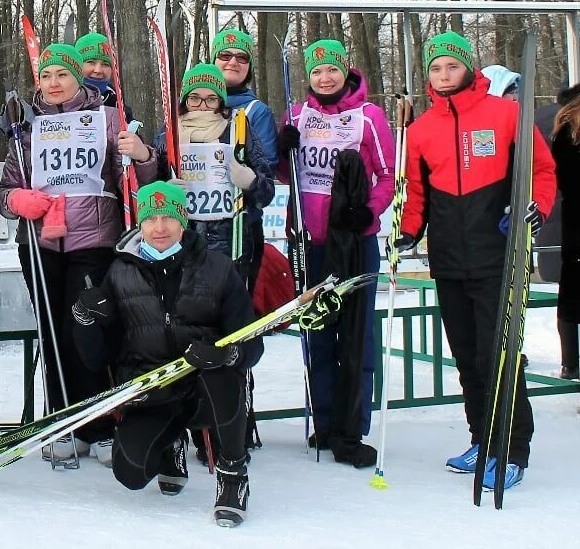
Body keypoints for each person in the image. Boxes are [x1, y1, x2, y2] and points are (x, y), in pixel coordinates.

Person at [394, 31, 557, 491]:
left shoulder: (506, 114)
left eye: (452, 66)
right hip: (447, 258)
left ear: (469, 67)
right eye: (436, 68)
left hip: (498, 255)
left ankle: (512, 447)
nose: (444, 75)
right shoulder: (422, 128)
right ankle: (481, 438)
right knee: (467, 357)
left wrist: (535, 208)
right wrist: (409, 231)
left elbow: (542, 170)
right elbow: (418, 193)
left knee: (500, 355)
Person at [0, 43, 156, 464]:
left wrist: (142, 155)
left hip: (93, 242)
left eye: (62, 75)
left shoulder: (107, 118)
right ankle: (64, 422)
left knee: (85, 334)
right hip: (41, 244)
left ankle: (101, 424)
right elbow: (5, 189)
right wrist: (17, 201)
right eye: (46, 76)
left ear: (76, 78)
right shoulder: (25, 128)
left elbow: (142, 181)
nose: (53, 84)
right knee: (52, 336)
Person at [71, 181, 261, 527]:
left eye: (169, 218)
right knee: (129, 472)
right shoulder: (119, 272)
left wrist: (228, 354)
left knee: (224, 372)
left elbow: (252, 344)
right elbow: (97, 358)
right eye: (151, 218)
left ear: (184, 220)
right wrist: (85, 320)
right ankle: (170, 443)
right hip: (154, 389)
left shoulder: (218, 268)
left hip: (206, 387)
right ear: (139, 224)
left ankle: (232, 475)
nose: (160, 228)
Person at [277, 39, 394, 467]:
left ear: (345, 71)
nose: (325, 78)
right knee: (318, 336)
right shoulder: (297, 115)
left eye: (331, 70)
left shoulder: (369, 116)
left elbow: (386, 175)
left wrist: (367, 212)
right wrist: (281, 146)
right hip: (311, 242)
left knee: (357, 335)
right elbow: (281, 171)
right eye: (316, 72)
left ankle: (353, 425)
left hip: (353, 240)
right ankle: (325, 421)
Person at [154, 63, 274, 270]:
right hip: (180, 241)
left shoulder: (238, 129)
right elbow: (149, 188)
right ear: (185, 100)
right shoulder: (169, 134)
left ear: (221, 101)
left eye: (211, 99)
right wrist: (165, 189)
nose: (202, 106)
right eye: (194, 98)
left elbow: (267, 193)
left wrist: (252, 182)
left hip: (230, 244)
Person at [211, 28, 278, 291]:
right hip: (198, 228)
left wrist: (249, 179)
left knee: (238, 311)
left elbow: (267, 169)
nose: (233, 62)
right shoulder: (193, 103)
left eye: (241, 58)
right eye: (225, 55)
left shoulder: (255, 111)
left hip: (240, 227)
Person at [550, 85, 580, 380]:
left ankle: (570, 361)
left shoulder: (562, 130)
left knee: (570, 289)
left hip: (573, 219)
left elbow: (560, 178)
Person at [75, 32, 135, 120]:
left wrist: (134, 134)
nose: (98, 70)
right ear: (76, 66)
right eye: (91, 62)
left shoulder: (119, 107)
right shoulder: (61, 101)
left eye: (105, 64)